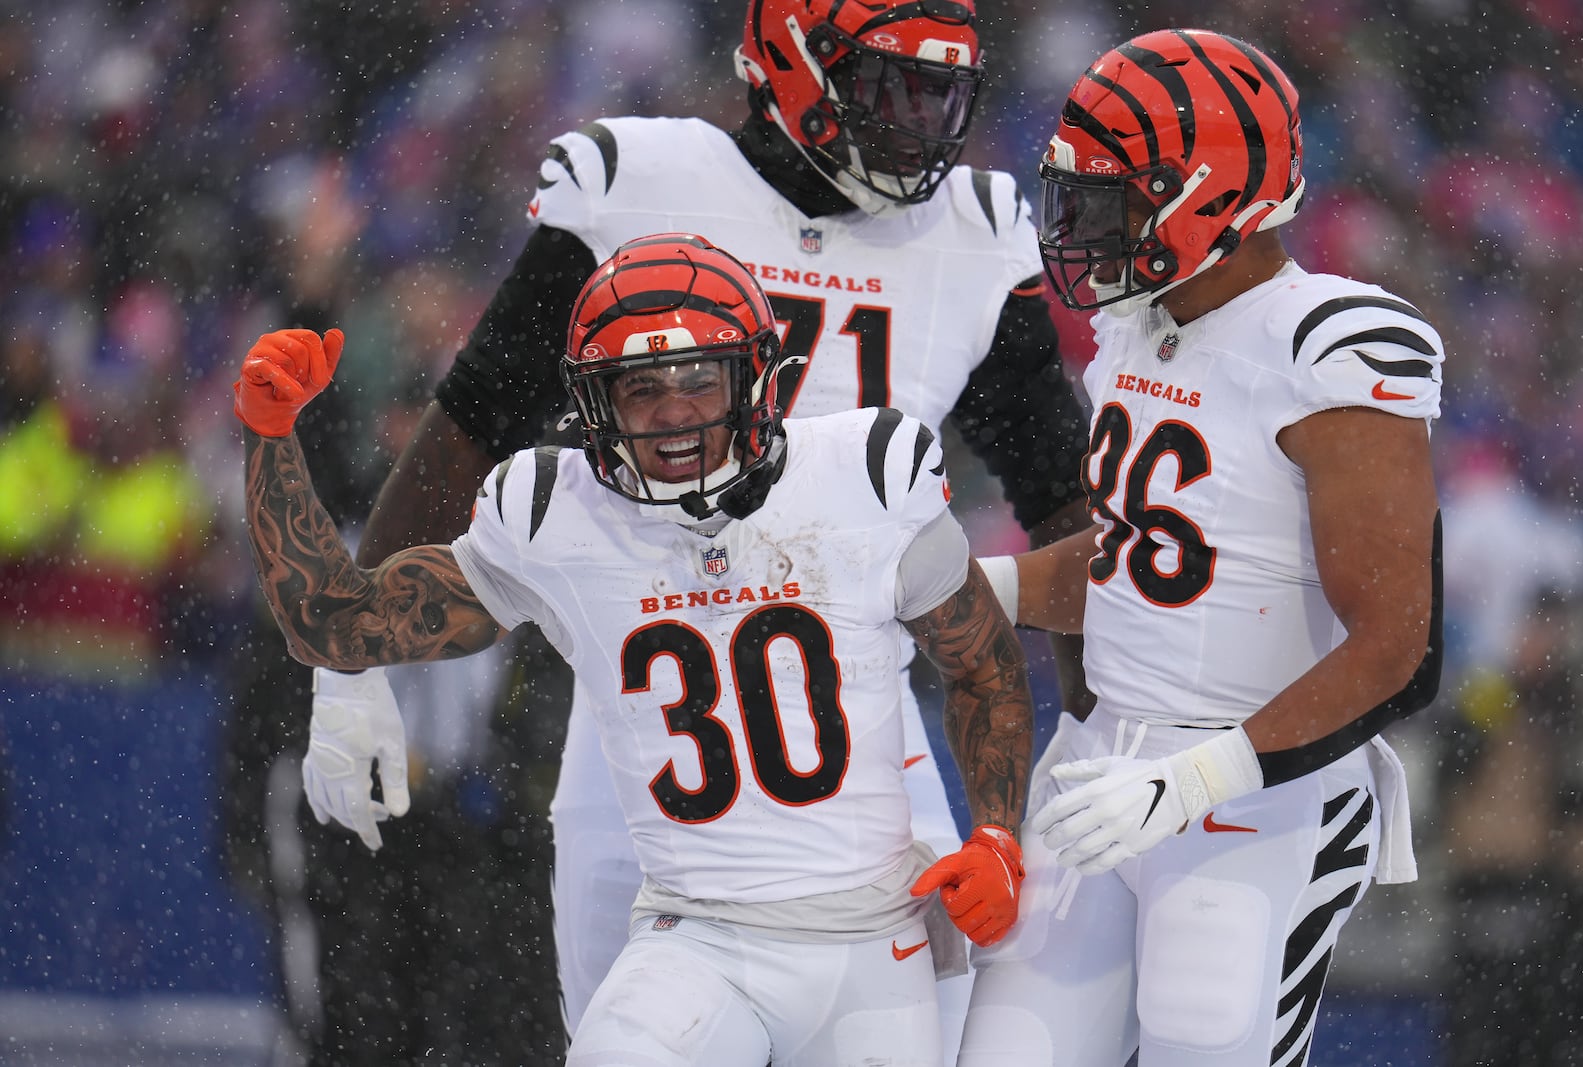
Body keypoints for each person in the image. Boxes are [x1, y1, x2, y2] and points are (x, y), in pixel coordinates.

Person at [301, 0, 1091, 1055]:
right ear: (790, 64)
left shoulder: (973, 237)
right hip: (645, 711)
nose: (915, 123)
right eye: (884, 86)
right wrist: (348, 672)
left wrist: (1103, 721)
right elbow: (470, 428)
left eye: (935, 89)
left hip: (859, 719)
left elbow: (1068, 502)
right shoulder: (646, 186)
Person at [235, 233, 1035, 1067]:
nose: (673, 409)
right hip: (693, 938)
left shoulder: (866, 475)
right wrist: (273, 436)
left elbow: (980, 663)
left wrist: (998, 836)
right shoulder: (555, 514)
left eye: (699, 377)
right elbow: (335, 622)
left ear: (755, 375)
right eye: (639, 386)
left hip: (873, 940)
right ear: (592, 404)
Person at [957, 29, 1445, 1067]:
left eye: (1113, 197)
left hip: (1256, 793)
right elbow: (1145, 568)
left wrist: (1196, 778)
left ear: (1205, 194)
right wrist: (969, 588)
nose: (1083, 224)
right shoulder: (1137, 327)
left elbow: (1399, 646)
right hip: (1097, 771)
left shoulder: (1328, 343)